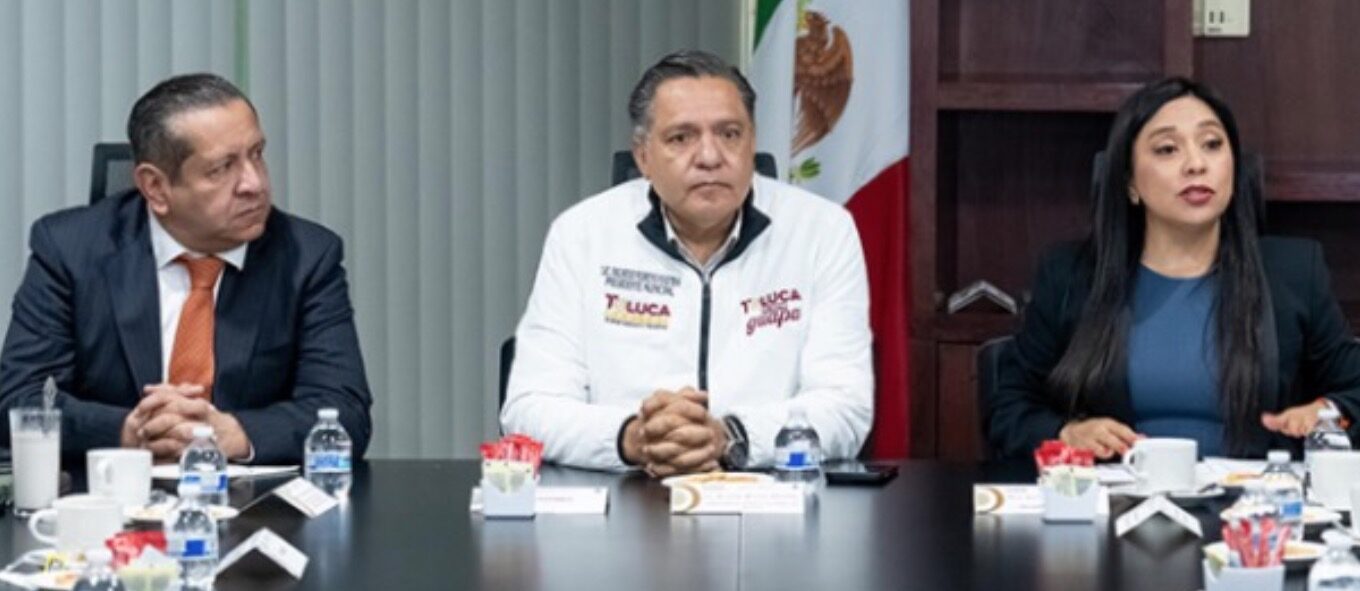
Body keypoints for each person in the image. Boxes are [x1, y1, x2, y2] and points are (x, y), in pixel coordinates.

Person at [501, 50, 873, 477]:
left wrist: (731, 437)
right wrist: (633, 438)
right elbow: (530, 407)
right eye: (681, 138)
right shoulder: (581, 234)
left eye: (730, 134)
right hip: (627, 495)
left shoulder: (823, 231)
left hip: (769, 493)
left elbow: (845, 406)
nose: (710, 156)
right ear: (642, 157)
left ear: (753, 143)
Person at [0, 73, 372, 464]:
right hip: (111, 492)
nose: (254, 184)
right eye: (222, 168)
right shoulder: (70, 250)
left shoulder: (306, 257)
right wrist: (130, 431)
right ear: (156, 188)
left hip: (251, 497)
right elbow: (18, 398)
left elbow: (344, 412)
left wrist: (233, 433)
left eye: (257, 154)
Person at [989, 77, 1360, 460]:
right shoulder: (1071, 275)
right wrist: (1067, 433)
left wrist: (1329, 412)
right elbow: (1009, 407)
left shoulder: (1293, 272)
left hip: (1252, 495)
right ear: (1130, 182)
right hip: (1119, 493)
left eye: (1212, 144)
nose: (1196, 164)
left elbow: (1354, 388)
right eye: (1167, 149)